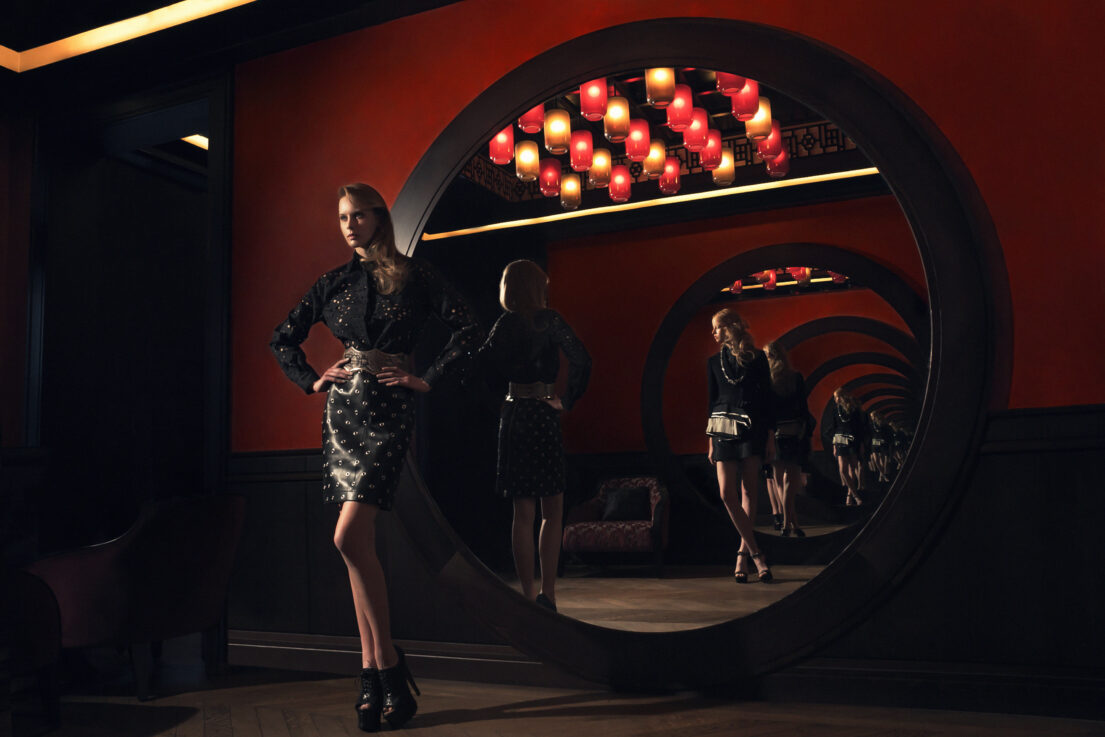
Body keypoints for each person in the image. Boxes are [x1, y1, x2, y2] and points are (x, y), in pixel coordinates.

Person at [270, 183, 482, 732]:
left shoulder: (416, 275)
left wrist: (427, 379)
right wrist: (313, 381)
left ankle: (385, 664)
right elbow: (282, 339)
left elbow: (469, 327)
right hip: (342, 415)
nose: (349, 224)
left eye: (359, 214)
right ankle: (374, 676)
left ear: (379, 218)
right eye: (342, 217)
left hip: (389, 411)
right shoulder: (333, 283)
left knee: (346, 538)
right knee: (356, 544)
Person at [478, 260, 591, 613]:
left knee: (521, 514)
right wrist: (567, 399)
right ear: (537, 287)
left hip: (513, 416)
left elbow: (479, 366)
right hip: (543, 414)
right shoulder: (550, 320)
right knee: (551, 512)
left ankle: (527, 595)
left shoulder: (503, 324)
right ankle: (549, 594)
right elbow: (582, 360)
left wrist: (500, 403)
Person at [706, 308, 773, 583]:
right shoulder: (712, 362)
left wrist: (769, 437)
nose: (714, 333)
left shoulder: (757, 358)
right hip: (721, 429)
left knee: (749, 490)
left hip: (753, 429)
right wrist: (710, 442)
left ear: (731, 327)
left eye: (717, 328)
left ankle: (742, 556)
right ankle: (757, 553)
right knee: (726, 493)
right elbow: (711, 403)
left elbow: (768, 400)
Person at [764, 341, 810, 537]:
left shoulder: (766, 380)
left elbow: (766, 412)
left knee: (780, 483)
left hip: (776, 434)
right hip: (794, 433)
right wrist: (803, 431)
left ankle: (787, 523)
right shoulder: (796, 377)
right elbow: (803, 409)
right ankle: (792, 524)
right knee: (790, 483)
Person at [822, 387, 868, 506]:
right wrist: (834, 446)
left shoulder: (854, 409)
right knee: (843, 470)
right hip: (839, 440)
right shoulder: (835, 410)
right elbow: (833, 427)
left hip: (852, 440)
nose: (834, 399)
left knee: (852, 468)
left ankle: (849, 494)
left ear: (840, 396)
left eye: (835, 397)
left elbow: (859, 428)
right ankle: (855, 496)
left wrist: (861, 443)